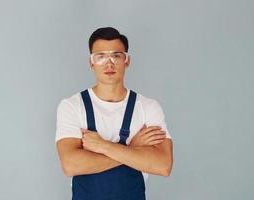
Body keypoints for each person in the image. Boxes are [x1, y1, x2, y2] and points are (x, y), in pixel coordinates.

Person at [55, 27, 173, 200]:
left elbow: (163, 165)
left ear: (127, 60)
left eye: (116, 55)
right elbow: (71, 165)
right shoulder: (73, 106)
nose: (109, 63)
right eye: (101, 56)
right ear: (91, 63)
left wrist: (102, 146)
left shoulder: (147, 107)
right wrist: (132, 149)